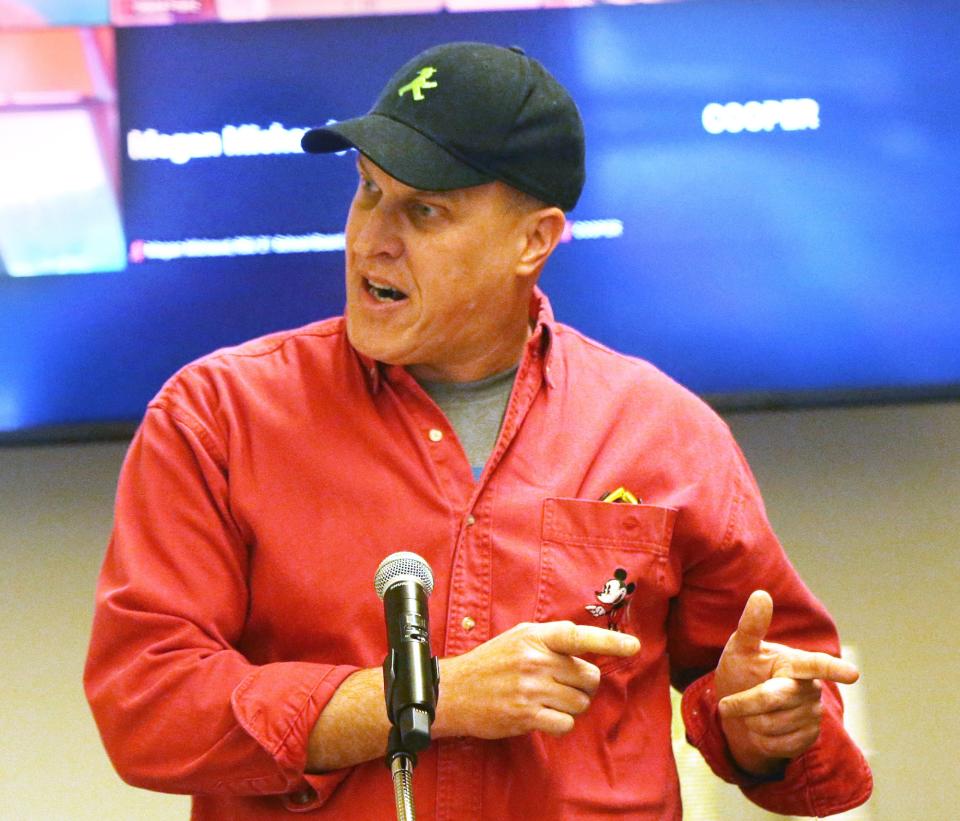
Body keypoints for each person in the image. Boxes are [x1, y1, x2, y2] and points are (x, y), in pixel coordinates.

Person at [85, 42, 872, 819]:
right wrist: (417, 697)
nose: (371, 238)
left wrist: (766, 726)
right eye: (367, 191)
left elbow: (786, 697)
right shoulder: (217, 417)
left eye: (424, 210)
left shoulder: (666, 433)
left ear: (533, 240)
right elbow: (148, 704)